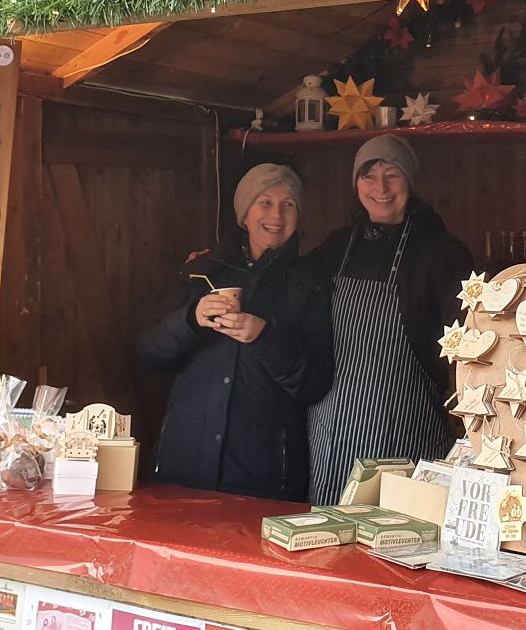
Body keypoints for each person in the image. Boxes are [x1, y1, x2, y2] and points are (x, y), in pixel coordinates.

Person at [138, 163, 332, 501]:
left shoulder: (310, 282)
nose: (276, 215)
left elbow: (314, 382)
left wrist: (265, 336)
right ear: (244, 213)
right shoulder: (201, 271)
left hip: (263, 470)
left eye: (288, 204)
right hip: (184, 461)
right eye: (265, 202)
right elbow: (148, 353)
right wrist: (191, 319)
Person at [306, 135, 474, 504]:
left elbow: (469, 342)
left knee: (400, 524)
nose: (380, 188)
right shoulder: (337, 246)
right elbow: (288, 291)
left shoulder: (442, 252)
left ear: (409, 181)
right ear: (356, 184)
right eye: (369, 176)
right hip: (333, 427)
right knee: (330, 524)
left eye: (392, 175)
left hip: (407, 421)